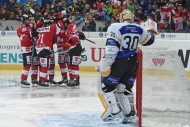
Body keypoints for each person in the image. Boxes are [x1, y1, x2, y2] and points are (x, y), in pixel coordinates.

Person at [98, 9, 156, 124]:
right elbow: (149, 41)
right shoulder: (139, 28)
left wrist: (106, 64)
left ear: (121, 17)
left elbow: (112, 47)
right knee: (125, 88)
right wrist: (151, 29)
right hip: (134, 62)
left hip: (120, 61)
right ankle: (129, 113)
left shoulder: (115, 26)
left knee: (106, 85)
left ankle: (114, 110)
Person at [35, 16, 64, 88]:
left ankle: (42, 80)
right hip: (44, 49)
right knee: (45, 66)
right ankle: (42, 81)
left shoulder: (39, 29)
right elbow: (59, 25)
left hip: (39, 49)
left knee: (44, 65)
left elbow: (34, 35)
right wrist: (60, 20)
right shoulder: (50, 28)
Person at [17, 14, 33, 88]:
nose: (29, 21)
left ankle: (28, 79)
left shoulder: (29, 28)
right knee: (27, 65)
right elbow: (24, 39)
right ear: (24, 20)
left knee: (30, 65)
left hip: (31, 48)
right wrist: (29, 35)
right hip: (25, 49)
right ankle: (23, 79)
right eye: (27, 20)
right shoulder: (20, 29)